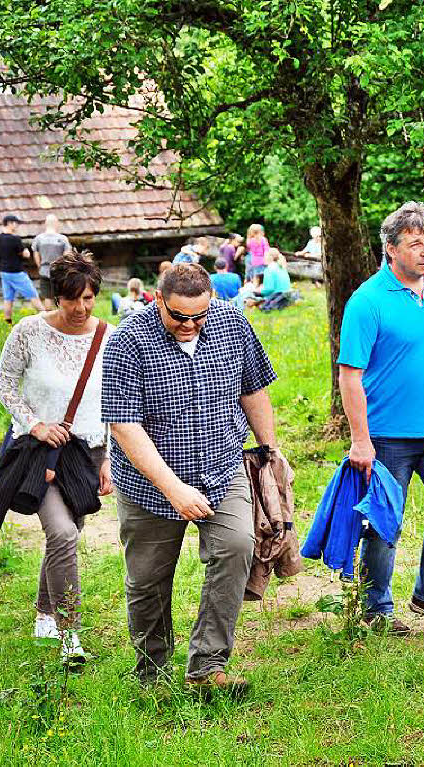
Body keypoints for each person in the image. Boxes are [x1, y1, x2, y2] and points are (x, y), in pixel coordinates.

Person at [102, 262, 279, 691]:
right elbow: (125, 426)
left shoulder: (231, 321)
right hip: (149, 485)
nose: (190, 325)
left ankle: (207, 666)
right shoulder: (127, 342)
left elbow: (253, 388)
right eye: (179, 316)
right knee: (148, 582)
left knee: (237, 547)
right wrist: (174, 489)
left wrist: (269, 452)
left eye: (199, 316)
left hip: (221, 467)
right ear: (158, 299)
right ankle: (153, 672)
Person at [338, 201, 424, 634]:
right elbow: (350, 374)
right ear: (391, 249)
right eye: (415, 243)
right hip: (386, 436)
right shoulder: (367, 301)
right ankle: (376, 608)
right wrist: (361, 440)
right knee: (383, 522)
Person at [0, 251, 113, 663]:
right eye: (71, 299)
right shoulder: (28, 331)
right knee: (62, 534)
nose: (81, 308)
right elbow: (5, 384)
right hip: (38, 452)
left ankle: (44, 611)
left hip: (87, 453)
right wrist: (35, 423)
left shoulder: (108, 336)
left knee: (68, 535)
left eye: (89, 298)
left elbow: (116, 401)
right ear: (55, 295)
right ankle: (70, 635)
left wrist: (110, 457)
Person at [0, 215, 45, 323]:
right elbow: (25, 254)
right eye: (16, 223)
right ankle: (45, 317)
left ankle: (7, 321)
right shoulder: (15, 239)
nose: (17, 225)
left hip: (4, 272)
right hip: (16, 272)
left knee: (8, 298)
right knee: (33, 294)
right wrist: (26, 251)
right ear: (9, 223)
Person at [31, 215, 71, 309]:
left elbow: (36, 254)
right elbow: (67, 255)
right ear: (56, 224)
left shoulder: (38, 239)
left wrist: (40, 266)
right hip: (59, 271)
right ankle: (60, 316)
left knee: (47, 297)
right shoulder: (63, 239)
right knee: (60, 295)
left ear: (46, 223)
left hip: (44, 270)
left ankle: (48, 317)